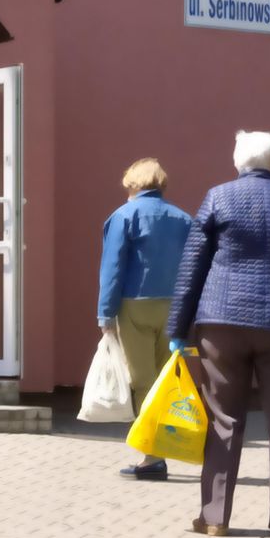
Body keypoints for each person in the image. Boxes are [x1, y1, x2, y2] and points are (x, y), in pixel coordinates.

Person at [167, 131, 270, 538]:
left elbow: (192, 267)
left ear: (237, 162)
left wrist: (177, 330)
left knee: (223, 421)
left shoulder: (217, 198)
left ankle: (214, 519)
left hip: (220, 325)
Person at [96, 158, 192, 481]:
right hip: (174, 305)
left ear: (134, 186)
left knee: (142, 381)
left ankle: (152, 457)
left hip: (134, 305)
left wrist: (105, 313)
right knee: (166, 379)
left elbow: (112, 269)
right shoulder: (183, 219)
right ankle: (163, 448)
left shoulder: (122, 217)